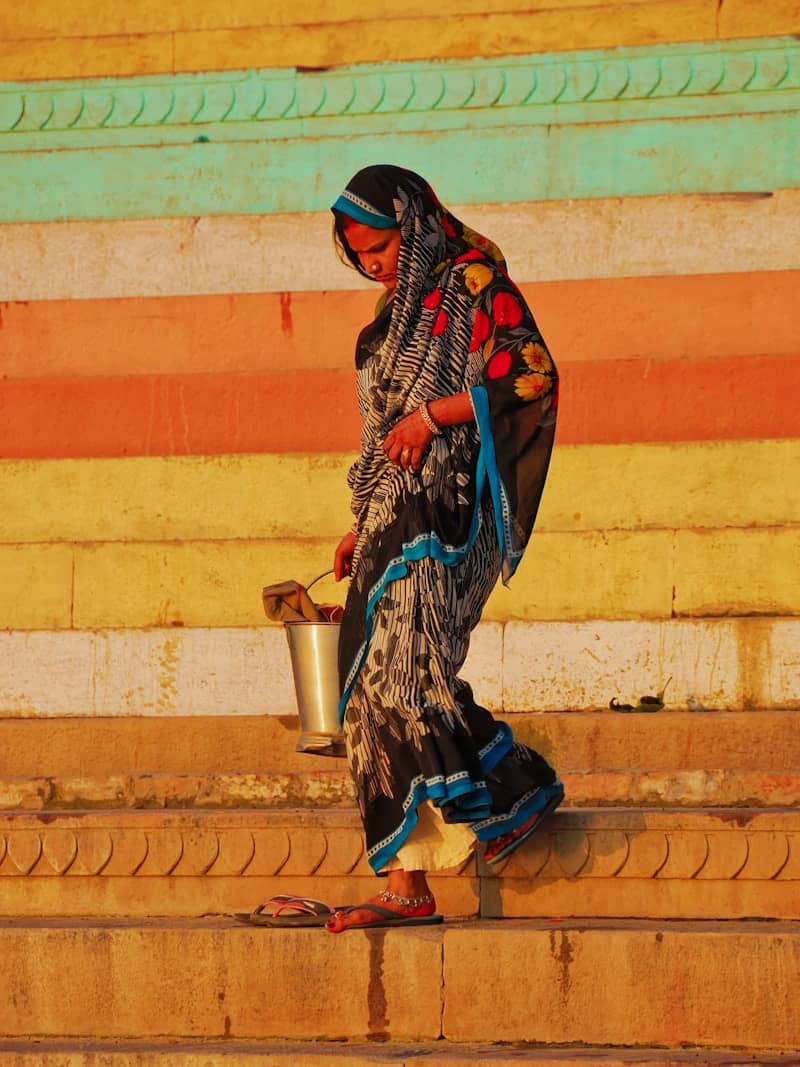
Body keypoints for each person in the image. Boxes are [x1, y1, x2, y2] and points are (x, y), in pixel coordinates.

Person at [326, 164, 563, 933]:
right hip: (391, 513)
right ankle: (409, 881)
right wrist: (361, 524)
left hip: (451, 510)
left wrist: (434, 415)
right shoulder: (391, 316)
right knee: (366, 693)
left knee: (406, 674)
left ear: (414, 223)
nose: (373, 263)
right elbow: (375, 432)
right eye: (358, 254)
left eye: (381, 246)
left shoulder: (472, 280)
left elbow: (531, 375)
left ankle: (503, 792)